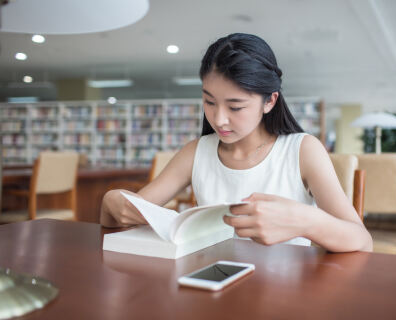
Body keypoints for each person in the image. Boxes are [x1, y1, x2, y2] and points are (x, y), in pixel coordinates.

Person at [101, 33, 372, 252]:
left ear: (270, 101)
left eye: (235, 106)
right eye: (209, 101)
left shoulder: (302, 150)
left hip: (286, 293)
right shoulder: (196, 152)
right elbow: (129, 213)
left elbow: (362, 240)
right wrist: (112, 201)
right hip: (212, 284)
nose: (219, 119)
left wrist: (304, 221)